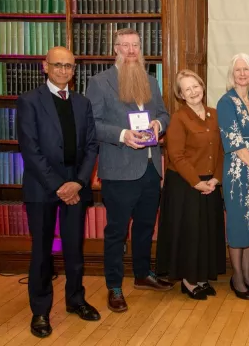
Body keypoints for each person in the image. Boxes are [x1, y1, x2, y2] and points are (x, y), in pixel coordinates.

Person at [86, 28, 171, 313]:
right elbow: (92, 124)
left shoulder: (149, 80)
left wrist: (160, 125)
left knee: (146, 227)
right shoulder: (99, 83)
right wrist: (123, 134)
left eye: (136, 45)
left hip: (150, 167)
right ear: (116, 50)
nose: (131, 51)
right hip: (120, 170)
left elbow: (163, 113)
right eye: (125, 46)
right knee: (117, 232)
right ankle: (114, 286)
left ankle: (143, 274)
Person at [17, 46, 100, 338]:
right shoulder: (29, 101)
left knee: (74, 249)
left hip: (75, 186)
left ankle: (76, 300)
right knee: (41, 251)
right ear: (45, 66)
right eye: (58, 65)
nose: (64, 71)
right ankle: (40, 311)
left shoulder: (82, 102)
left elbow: (91, 146)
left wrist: (77, 182)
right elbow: (30, 150)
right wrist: (58, 186)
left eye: (69, 66)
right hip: (43, 187)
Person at [156, 69, 226, 300]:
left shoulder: (215, 114)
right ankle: (188, 280)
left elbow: (221, 150)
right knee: (190, 234)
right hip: (186, 185)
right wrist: (197, 183)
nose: (193, 92)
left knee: (207, 233)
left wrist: (216, 179)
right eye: (187, 89)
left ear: (202, 87)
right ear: (181, 95)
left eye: (195, 86)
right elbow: (176, 156)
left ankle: (203, 277)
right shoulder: (178, 118)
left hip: (211, 183)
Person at [217, 53, 249, 300]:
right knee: (239, 224)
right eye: (237, 70)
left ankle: (248, 275)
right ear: (232, 74)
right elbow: (235, 142)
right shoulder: (225, 103)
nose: (242, 74)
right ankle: (237, 277)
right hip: (238, 171)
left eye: (246, 69)